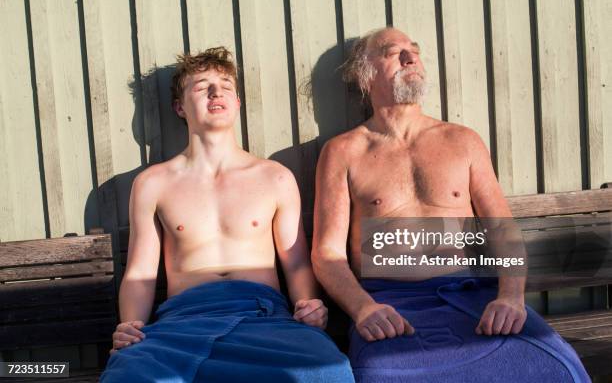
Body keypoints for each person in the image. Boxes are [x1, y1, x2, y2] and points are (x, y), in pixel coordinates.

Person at [311, 27, 590, 382]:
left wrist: (510, 297)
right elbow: (327, 254)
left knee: (556, 370)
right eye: (392, 52)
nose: (410, 57)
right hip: (391, 308)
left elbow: (502, 230)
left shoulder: (462, 140)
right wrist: (363, 308)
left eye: (414, 50)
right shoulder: (343, 152)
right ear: (364, 76)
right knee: (381, 376)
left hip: (473, 296)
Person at [101, 47, 354, 382]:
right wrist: (130, 326)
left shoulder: (274, 177)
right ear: (180, 107)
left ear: (237, 103)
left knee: (327, 370)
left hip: (265, 317)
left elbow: (295, 263)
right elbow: (140, 271)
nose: (215, 91)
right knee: (130, 375)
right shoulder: (153, 183)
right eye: (201, 85)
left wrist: (308, 305)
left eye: (224, 85)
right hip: (184, 320)